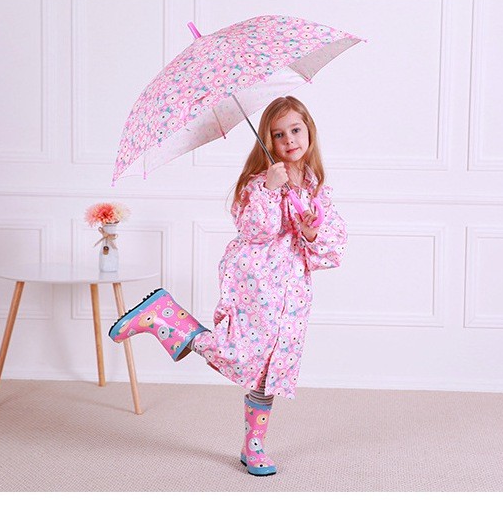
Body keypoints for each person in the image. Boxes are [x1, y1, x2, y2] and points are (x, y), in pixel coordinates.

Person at [108, 96, 347, 476]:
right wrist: (269, 190)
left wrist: (311, 232)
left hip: (294, 294)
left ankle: (254, 446)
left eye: (295, 130)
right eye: (278, 134)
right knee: (239, 355)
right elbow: (255, 231)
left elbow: (333, 247)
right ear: (267, 140)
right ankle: (165, 318)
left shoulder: (316, 189)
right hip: (259, 283)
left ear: (309, 131)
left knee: (270, 368)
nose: (289, 140)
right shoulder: (259, 182)